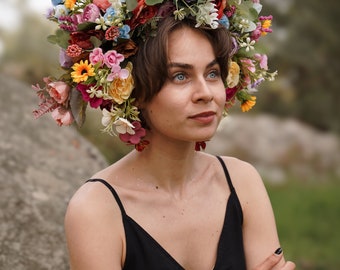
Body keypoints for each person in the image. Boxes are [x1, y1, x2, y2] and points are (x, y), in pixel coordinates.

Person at [33, 0, 295, 269]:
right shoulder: (96, 210)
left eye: (213, 73)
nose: (205, 93)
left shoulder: (242, 182)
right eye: (180, 76)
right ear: (134, 90)